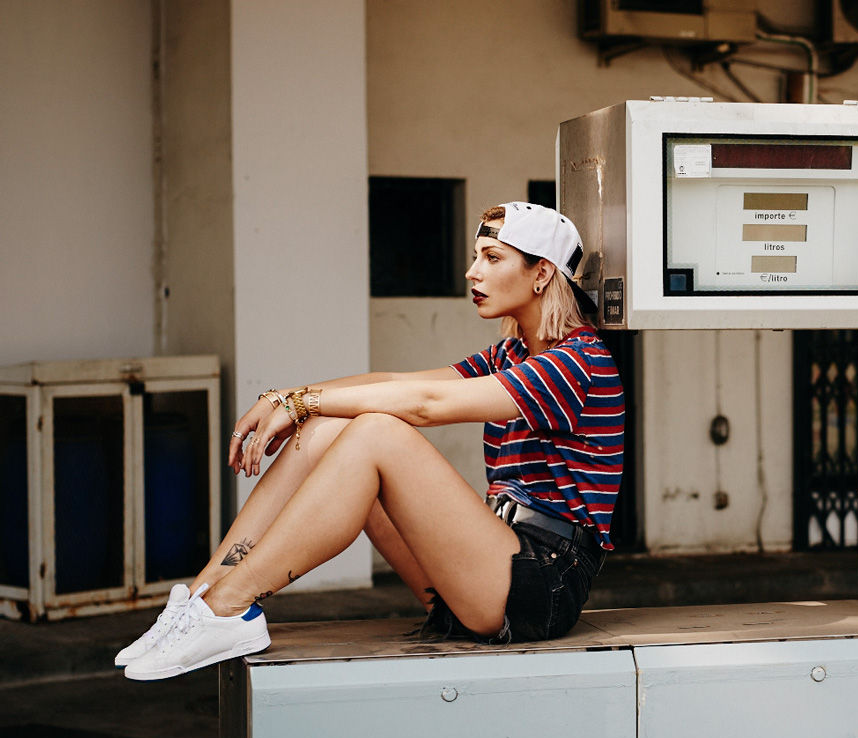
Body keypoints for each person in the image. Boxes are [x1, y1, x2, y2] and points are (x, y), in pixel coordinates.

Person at [116, 203, 622, 681]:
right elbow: (393, 379)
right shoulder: (511, 353)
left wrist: (302, 401)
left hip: (542, 584)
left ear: (541, 274)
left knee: (377, 431)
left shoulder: (579, 361)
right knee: (330, 427)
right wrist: (288, 398)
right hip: (486, 570)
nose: (472, 272)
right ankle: (207, 595)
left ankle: (232, 603)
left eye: (492, 258)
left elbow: (423, 405)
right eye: (475, 257)